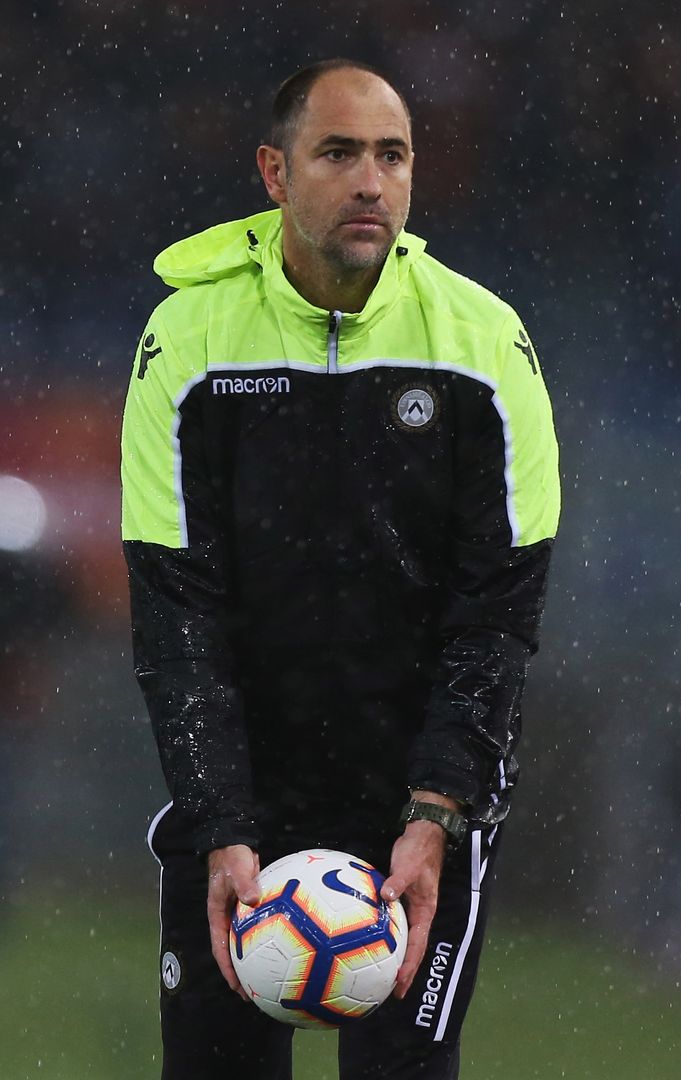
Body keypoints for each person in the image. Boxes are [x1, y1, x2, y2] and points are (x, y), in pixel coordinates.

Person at [121, 57, 560, 1080]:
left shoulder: (485, 344)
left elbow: (497, 610)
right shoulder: (185, 341)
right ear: (274, 174)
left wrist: (435, 813)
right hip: (241, 799)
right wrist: (225, 825)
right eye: (339, 153)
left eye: (392, 155)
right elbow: (175, 607)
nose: (371, 181)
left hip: (413, 806)